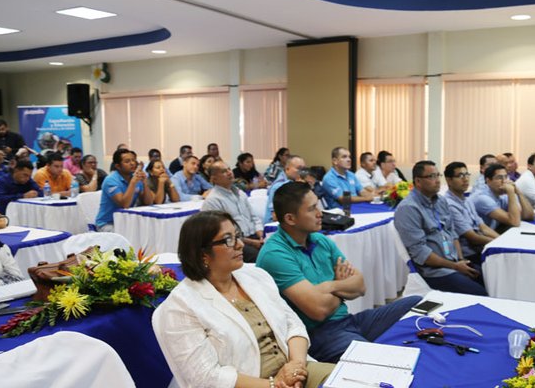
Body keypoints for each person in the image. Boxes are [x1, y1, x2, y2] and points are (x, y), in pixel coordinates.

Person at [152, 211, 335, 388]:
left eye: (237, 235)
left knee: (351, 378)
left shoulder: (255, 275)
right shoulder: (181, 306)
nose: (240, 244)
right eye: (228, 240)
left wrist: (295, 367)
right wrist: (273, 385)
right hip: (253, 384)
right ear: (203, 254)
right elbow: (206, 378)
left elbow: (292, 324)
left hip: (294, 371)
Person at [257, 182, 421, 362]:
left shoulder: (319, 239)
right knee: (373, 360)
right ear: (290, 219)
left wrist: (329, 285)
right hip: (319, 335)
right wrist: (342, 287)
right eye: (312, 209)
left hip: (349, 321)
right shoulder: (275, 254)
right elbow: (318, 310)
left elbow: (361, 286)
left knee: (416, 303)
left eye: (318, 206)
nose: (320, 213)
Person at [394, 161, 488, 296]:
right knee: (481, 294)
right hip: (435, 271)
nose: (437, 181)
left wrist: (460, 260)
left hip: (454, 262)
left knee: (491, 280)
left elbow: (452, 233)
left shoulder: (440, 201)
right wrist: (455, 266)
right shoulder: (408, 208)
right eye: (432, 176)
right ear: (418, 181)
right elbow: (421, 252)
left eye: (438, 175)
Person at [203, 161, 264, 262]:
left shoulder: (240, 194)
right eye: (223, 171)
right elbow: (222, 234)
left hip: (255, 237)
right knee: (260, 258)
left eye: (229, 169)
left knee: (275, 251)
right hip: (233, 243)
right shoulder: (213, 200)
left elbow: (254, 217)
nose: (229, 173)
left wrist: (261, 236)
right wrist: (253, 242)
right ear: (214, 178)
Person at [443, 162, 499, 264]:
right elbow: (472, 237)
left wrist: (500, 239)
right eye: (460, 176)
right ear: (449, 180)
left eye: (466, 174)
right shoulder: (449, 205)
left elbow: (482, 226)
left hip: (480, 248)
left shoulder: (467, 200)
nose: (465, 179)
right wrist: (498, 242)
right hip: (468, 255)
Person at [95, 149, 153, 232]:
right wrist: (133, 182)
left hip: (127, 222)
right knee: (131, 235)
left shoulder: (135, 177)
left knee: (148, 231)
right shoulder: (111, 180)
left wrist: (144, 182)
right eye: (127, 161)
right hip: (108, 223)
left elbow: (149, 202)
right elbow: (124, 204)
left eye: (133, 160)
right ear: (118, 166)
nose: (132, 163)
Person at [471, 163, 535, 232]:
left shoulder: (502, 194)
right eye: (499, 178)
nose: (504, 181)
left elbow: (529, 216)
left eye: (506, 177)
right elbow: (515, 222)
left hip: (493, 231)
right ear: (488, 180)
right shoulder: (482, 198)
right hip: (478, 239)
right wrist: (511, 193)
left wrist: (518, 192)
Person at [264, 155, 307, 223]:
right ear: (287, 169)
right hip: (275, 225)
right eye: (299, 168)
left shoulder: (296, 182)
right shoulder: (279, 186)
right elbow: (276, 216)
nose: (302, 172)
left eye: (304, 169)